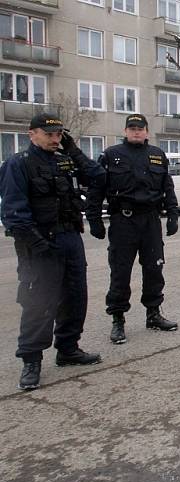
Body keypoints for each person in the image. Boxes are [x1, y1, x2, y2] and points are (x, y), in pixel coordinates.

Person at [0, 113, 105, 390]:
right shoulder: (18, 164)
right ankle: (31, 360)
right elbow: (13, 212)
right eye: (49, 134)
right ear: (31, 134)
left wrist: (73, 150)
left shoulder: (65, 160)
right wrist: (37, 244)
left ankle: (68, 349)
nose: (54, 139)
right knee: (39, 302)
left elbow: (98, 177)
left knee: (75, 296)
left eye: (59, 134)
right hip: (39, 243)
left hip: (70, 237)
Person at [86, 114, 179, 345]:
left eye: (140, 128)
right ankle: (118, 320)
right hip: (123, 221)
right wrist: (94, 219)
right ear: (125, 131)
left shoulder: (157, 155)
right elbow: (96, 190)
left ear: (147, 131)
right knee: (120, 271)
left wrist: (173, 214)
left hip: (150, 220)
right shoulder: (111, 155)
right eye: (132, 128)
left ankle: (153, 314)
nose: (136, 132)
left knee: (154, 268)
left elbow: (167, 187)